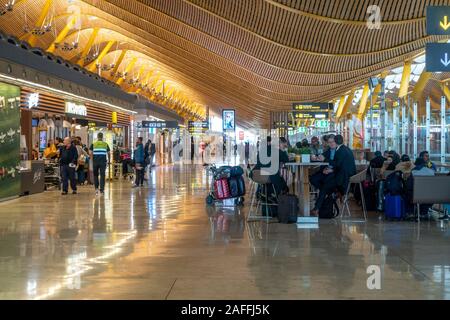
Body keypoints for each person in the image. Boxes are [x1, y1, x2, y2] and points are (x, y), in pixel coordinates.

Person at [311, 135, 356, 216]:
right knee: (316, 180)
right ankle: (332, 193)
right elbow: (338, 164)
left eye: (332, 142)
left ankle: (316, 208)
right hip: (339, 174)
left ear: (336, 142)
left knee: (325, 187)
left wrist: (330, 169)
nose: (331, 144)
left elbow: (338, 165)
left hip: (342, 177)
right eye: (329, 142)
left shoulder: (341, 151)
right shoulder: (343, 149)